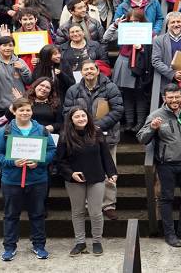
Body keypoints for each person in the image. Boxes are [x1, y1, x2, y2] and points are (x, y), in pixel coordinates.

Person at [0, 97, 56, 261]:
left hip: (37, 180)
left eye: (28, 110)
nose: (25, 113)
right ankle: (10, 247)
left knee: (38, 214)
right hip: (12, 181)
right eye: (21, 110)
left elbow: (52, 150)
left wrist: (39, 161)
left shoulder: (41, 130)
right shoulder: (5, 131)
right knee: (11, 215)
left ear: (32, 111)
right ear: (15, 111)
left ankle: (39, 246)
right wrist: (12, 162)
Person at [137, 84, 181, 247]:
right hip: (166, 164)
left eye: (177, 97)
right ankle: (169, 234)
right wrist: (152, 128)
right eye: (170, 97)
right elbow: (141, 138)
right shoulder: (156, 115)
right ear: (164, 98)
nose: (174, 100)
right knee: (166, 199)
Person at [64, 60, 124, 221]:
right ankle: (86, 205)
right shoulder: (73, 90)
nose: (89, 71)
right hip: (79, 139)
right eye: (86, 69)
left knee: (109, 172)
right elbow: (67, 112)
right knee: (83, 170)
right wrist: (84, 128)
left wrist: (94, 127)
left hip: (106, 136)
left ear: (98, 71)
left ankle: (108, 205)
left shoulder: (110, 87)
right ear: (81, 73)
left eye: (92, 69)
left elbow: (118, 110)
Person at [55, 106, 118, 257]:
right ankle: (80, 242)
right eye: (77, 117)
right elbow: (60, 160)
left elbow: (105, 155)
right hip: (75, 179)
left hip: (96, 177)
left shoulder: (96, 132)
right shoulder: (65, 136)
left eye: (83, 115)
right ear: (71, 120)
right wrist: (71, 174)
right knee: (77, 212)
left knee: (96, 212)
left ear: (87, 117)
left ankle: (97, 241)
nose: (81, 119)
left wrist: (111, 172)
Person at [0, 36, 33, 118]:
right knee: (0, 131)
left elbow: (29, 81)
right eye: (4, 45)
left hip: (18, 106)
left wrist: (23, 69)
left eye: (10, 45)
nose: (7, 48)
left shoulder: (20, 62)